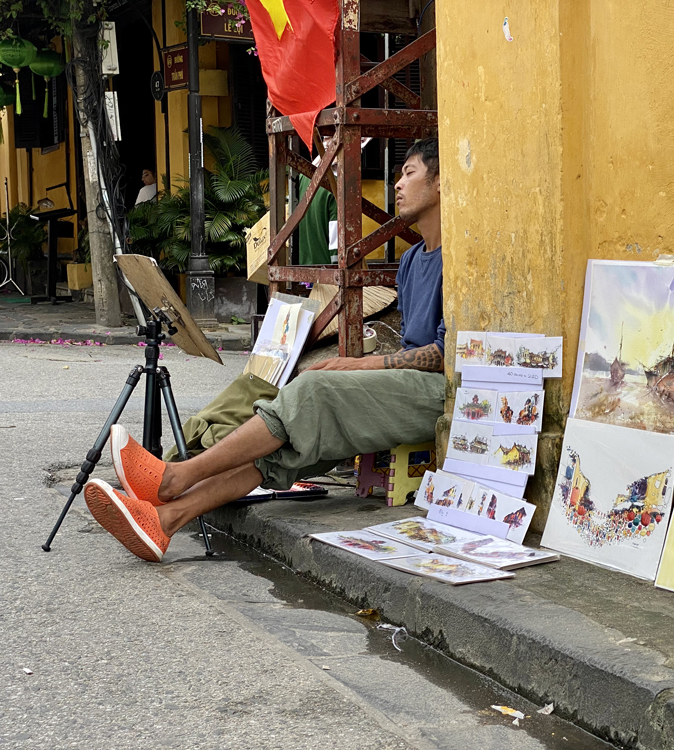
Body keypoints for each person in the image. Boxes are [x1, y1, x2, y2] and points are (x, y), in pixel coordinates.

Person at [84, 139, 446, 562]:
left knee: (313, 390)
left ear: (441, 183)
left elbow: (443, 354)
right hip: (404, 388)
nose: (397, 184)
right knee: (283, 454)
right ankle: (163, 522)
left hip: (440, 391)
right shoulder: (411, 260)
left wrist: (361, 364)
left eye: (409, 172)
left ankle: (172, 479)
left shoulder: (460, 258)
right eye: (399, 173)